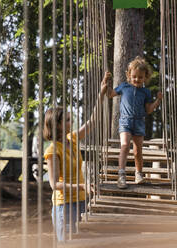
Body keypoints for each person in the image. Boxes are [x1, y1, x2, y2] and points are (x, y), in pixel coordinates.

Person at [43, 72, 110, 241]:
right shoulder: (52, 151)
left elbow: (93, 122)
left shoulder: (71, 139)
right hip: (64, 206)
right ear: (56, 125)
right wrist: (82, 186)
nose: (70, 122)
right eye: (66, 120)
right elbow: (54, 184)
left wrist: (101, 95)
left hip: (81, 201)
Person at [103, 56, 163, 189]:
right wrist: (105, 82)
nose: (137, 79)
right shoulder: (124, 87)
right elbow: (110, 94)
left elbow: (148, 110)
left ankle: (139, 174)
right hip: (125, 121)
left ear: (145, 77)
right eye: (134, 76)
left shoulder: (146, 92)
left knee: (137, 151)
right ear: (129, 75)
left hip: (139, 123)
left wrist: (157, 101)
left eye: (140, 77)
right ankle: (122, 175)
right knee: (124, 145)